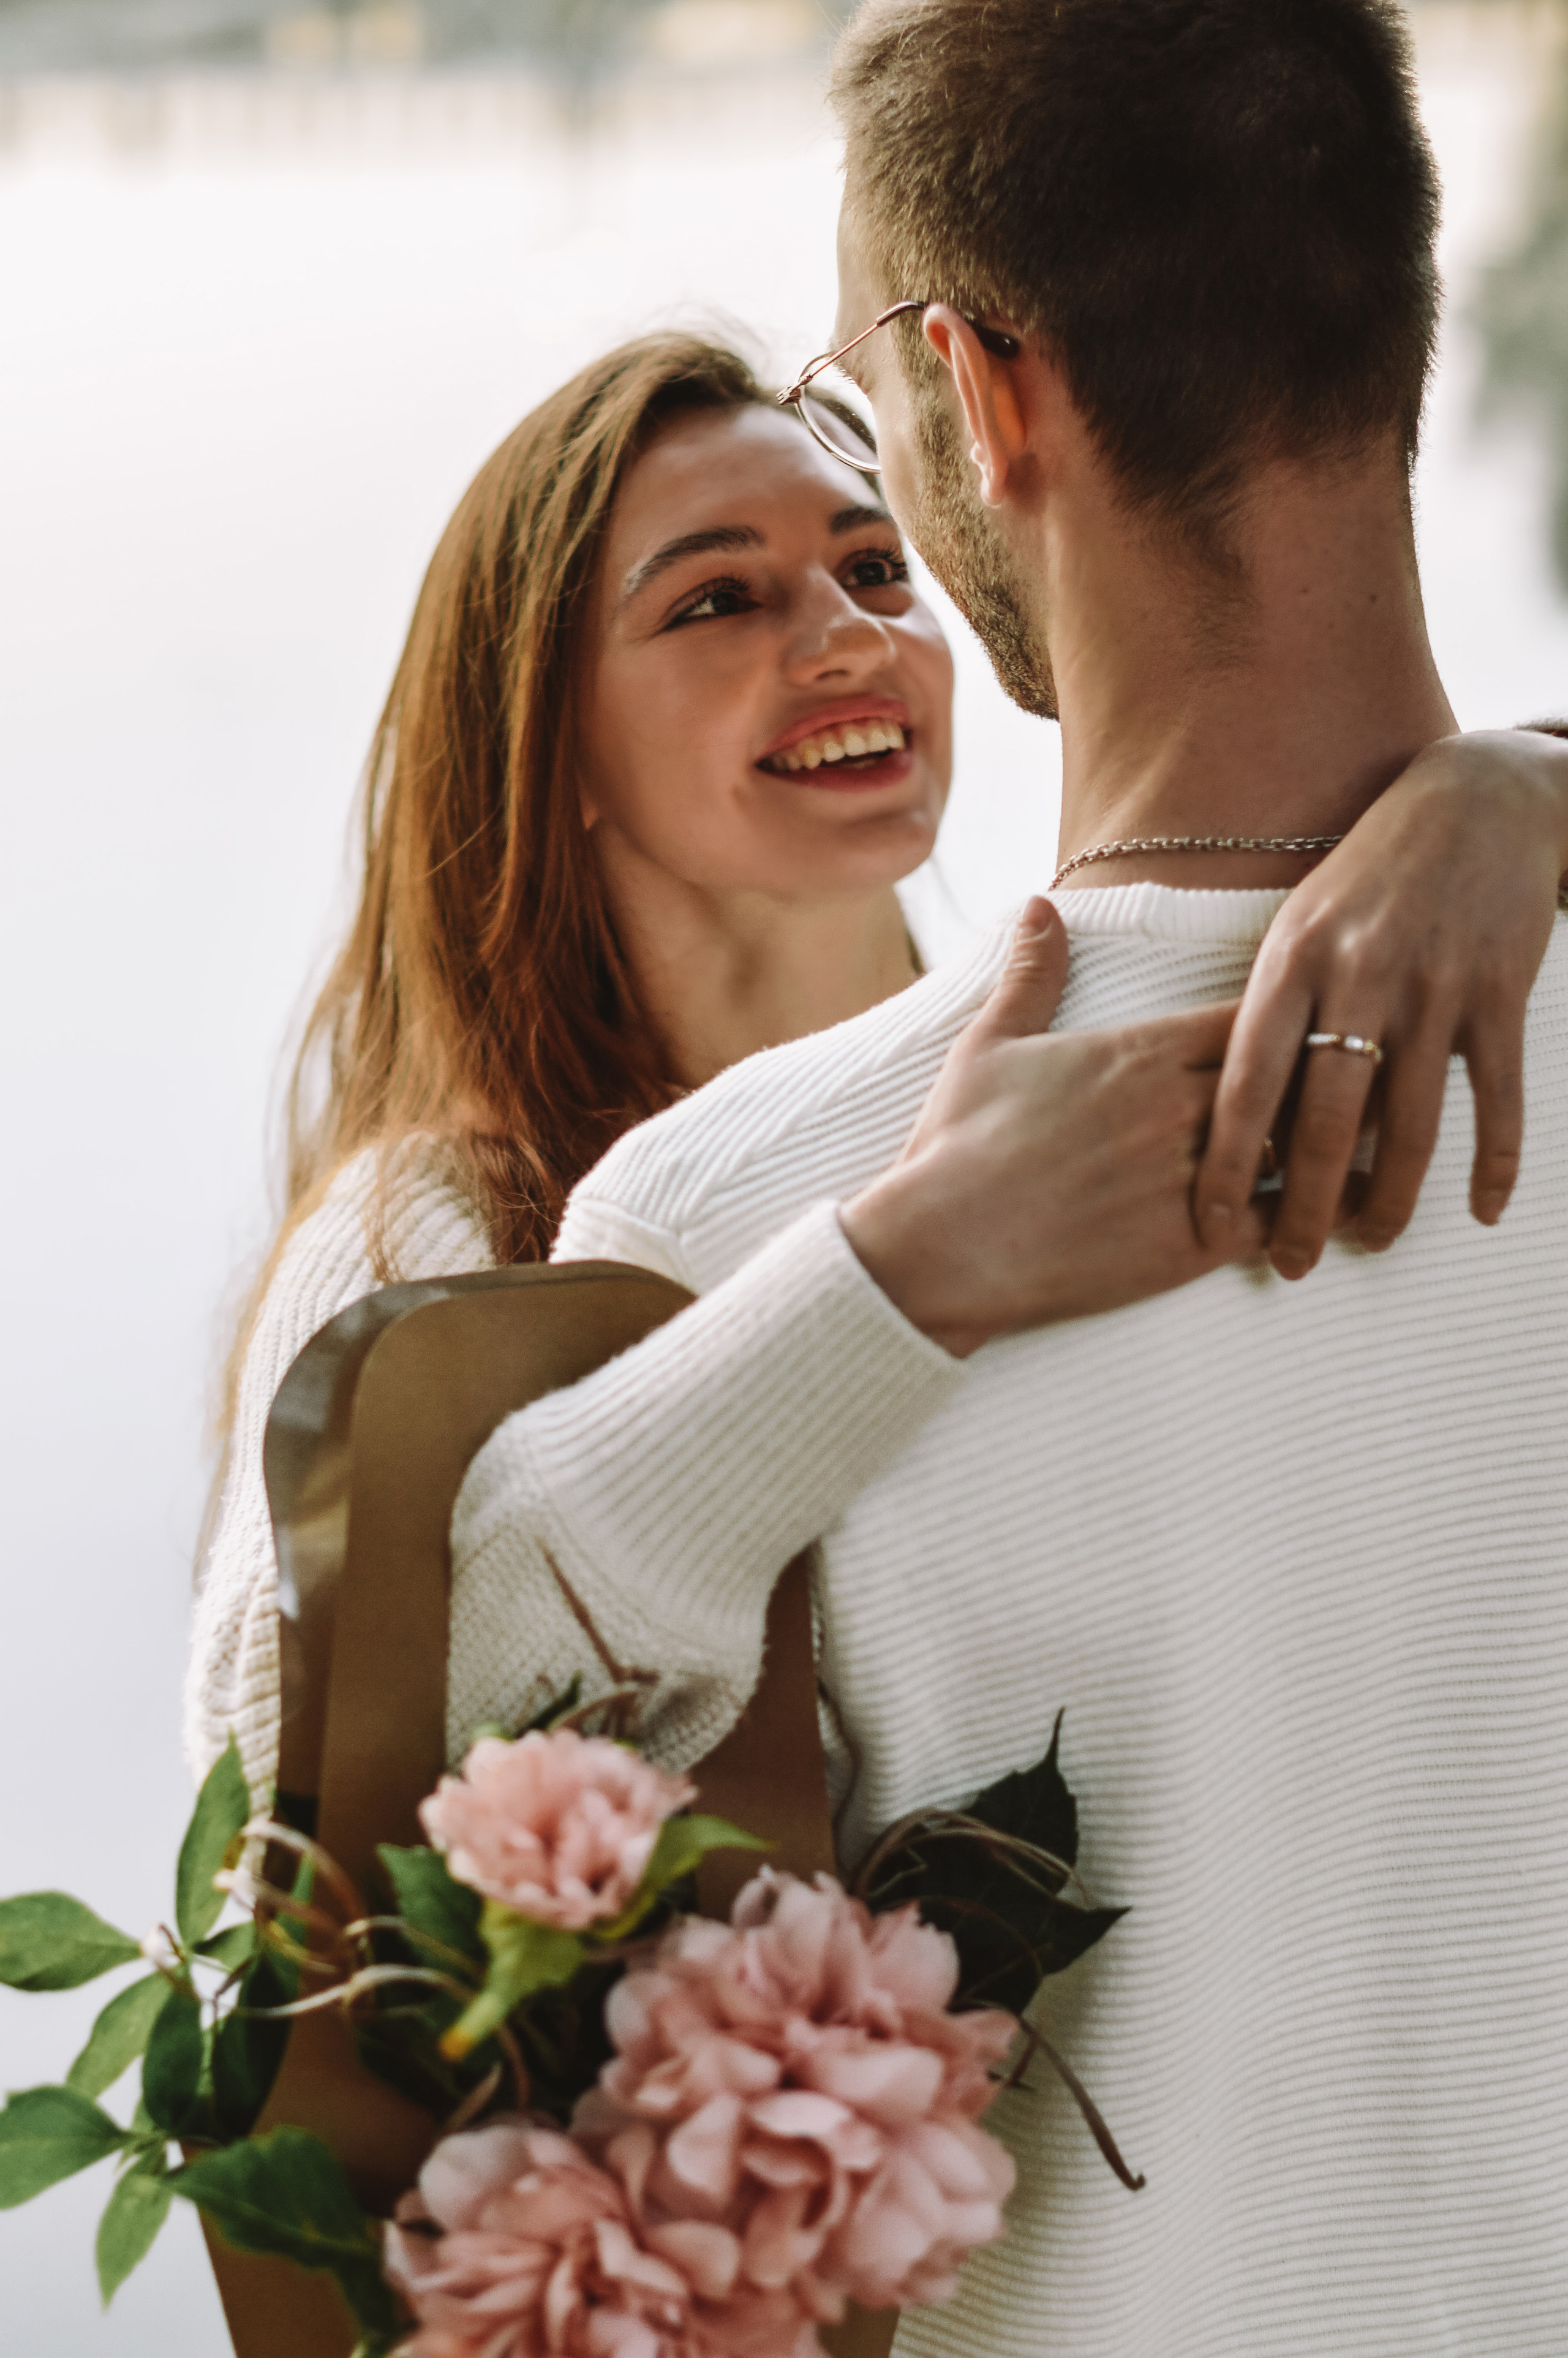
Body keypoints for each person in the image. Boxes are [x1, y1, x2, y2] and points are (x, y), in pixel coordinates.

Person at [443, 2, 1568, 2351]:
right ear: (1399, 313)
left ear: (978, 393)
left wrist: (872, 1285)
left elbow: (369, 1766)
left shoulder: (736, 1215)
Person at [191, 314, 1568, 1811]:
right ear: (549, 739)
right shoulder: (445, 1216)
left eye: (873, 567)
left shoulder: (1078, 1070)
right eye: (718, 598)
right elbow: (272, 1764)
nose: (847, 636)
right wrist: (898, 1272)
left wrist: (1525, 776)